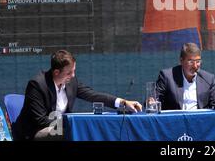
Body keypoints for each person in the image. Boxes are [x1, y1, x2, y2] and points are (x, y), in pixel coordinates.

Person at [13, 50, 142, 140]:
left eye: (74, 71)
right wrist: (72, 122)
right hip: (34, 132)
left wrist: (123, 103)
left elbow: (93, 95)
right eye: (69, 73)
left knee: (82, 131)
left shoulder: (71, 82)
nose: (73, 76)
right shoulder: (37, 85)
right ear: (56, 72)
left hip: (59, 126)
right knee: (76, 132)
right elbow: (40, 121)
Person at [155, 43, 215, 110]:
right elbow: (154, 101)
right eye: (191, 62)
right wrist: (151, 101)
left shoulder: (208, 79)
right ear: (181, 61)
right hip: (176, 119)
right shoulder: (167, 77)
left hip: (200, 119)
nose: (195, 66)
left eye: (198, 61)